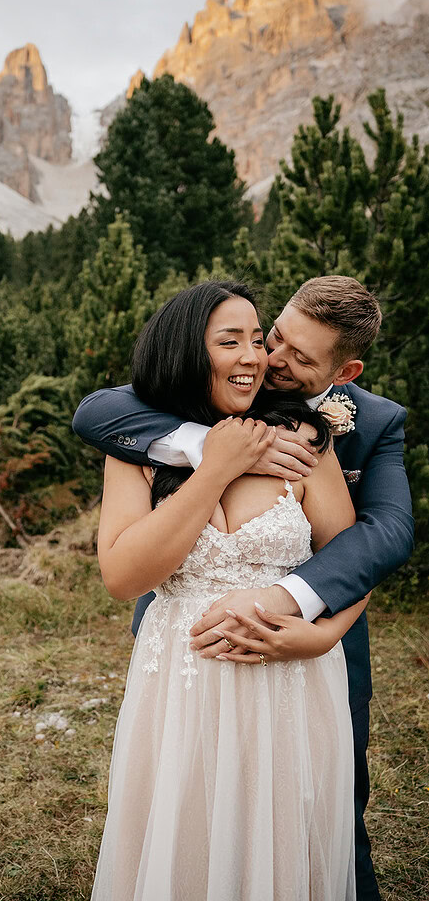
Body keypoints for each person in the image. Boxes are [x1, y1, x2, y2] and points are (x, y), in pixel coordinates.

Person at [73, 275, 414, 901]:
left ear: (344, 370)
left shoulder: (325, 436)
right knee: (183, 826)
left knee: (318, 822)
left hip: (298, 664)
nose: (267, 359)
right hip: (181, 673)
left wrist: (319, 634)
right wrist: (217, 458)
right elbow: (120, 566)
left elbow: (373, 542)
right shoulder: (144, 432)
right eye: (263, 338)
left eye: (290, 354)